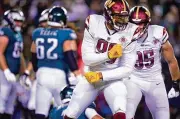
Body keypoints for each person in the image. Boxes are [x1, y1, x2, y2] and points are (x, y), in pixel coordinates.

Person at [64, 0, 141, 118]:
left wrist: (101, 76)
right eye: (118, 17)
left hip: (114, 77)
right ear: (108, 15)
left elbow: (127, 69)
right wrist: (108, 55)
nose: (123, 21)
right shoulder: (94, 23)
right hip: (92, 76)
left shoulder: (131, 31)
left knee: (120, 111)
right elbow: (87, 58)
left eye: (124, 17)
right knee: (70, 115)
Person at [125, 6, 180, 119]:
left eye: (140, 23)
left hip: (154, 80)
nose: (136, 27)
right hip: (132, 80)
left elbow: (171, 61)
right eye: (133, 23)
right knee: (124, 115)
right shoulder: (121, 35)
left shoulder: (158, 33)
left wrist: (175, 84)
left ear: (147, 23)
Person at [30, 6, 82, 119]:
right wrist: (77, 73)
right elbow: (69, 55)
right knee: (62, 110)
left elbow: (33, 55)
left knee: (40, 112)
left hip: (42, 74)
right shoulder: (66, 33)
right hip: (59, 74)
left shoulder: (37, 33)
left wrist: (36, 71)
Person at [0, 9, 25, 119]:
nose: (19, 23)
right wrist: (6, 70)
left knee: (10, 105)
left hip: (14, 74)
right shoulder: (5, 31)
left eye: (20, 20)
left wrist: (25, 73)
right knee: (2, 101)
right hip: (3, 73)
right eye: (16, 20)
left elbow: (19, 55)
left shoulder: (17, 34)